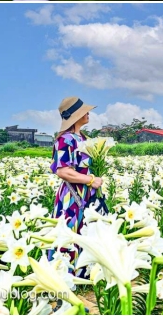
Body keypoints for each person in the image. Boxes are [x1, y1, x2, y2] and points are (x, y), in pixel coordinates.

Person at [49, 96, 106, 269]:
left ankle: (84, 273)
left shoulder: (82, 138)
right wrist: (90, 180)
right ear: (75, 115)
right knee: (69, 233)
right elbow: (62, 171)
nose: (88, 113)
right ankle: (64, 274)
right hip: (72, 196)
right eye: (84, 111)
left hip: (87, 193)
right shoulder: (65, 139)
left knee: (86, 231)